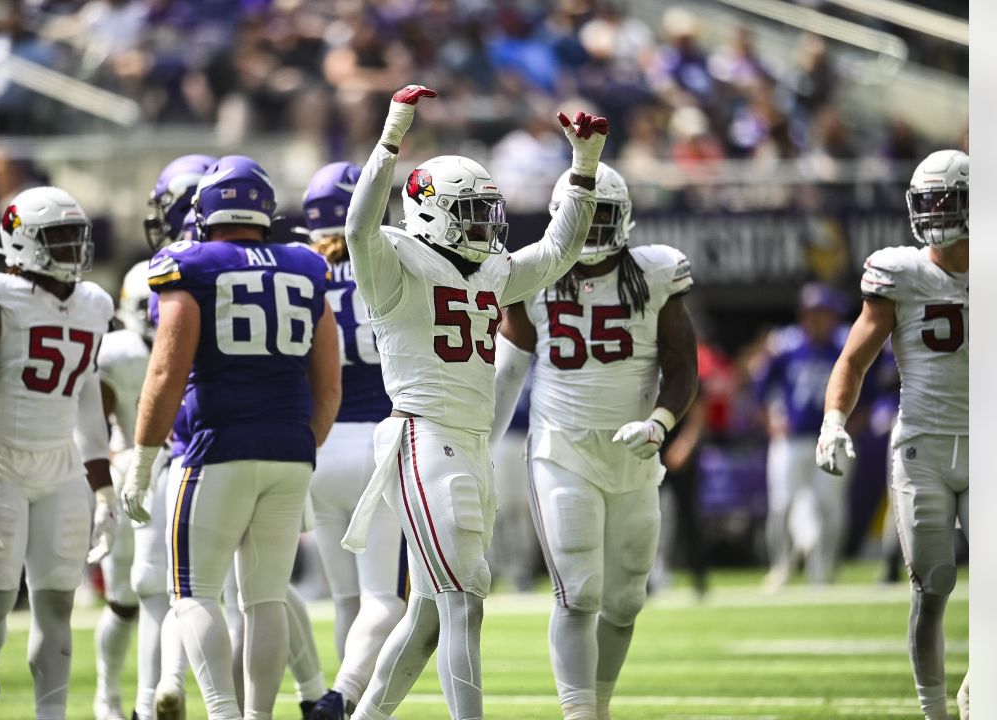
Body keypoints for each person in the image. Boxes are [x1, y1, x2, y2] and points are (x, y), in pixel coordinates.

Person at [339, 84, 607, 720]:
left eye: (489, 211)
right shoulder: (396, 261)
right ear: (431, 212)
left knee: (432, 614)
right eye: (472, 212)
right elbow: (357, 226)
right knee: (465, 602)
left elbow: (559, 251)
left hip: (470, 445)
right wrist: (392, 133)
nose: (487, 225)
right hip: (424, 438)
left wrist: (585, 169)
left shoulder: (491, 270)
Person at [120, 155, 341, 720]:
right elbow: (328, 382)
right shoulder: (305, 264)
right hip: (291, 447)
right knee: (264, 599)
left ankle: (221, 712)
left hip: (217, 446)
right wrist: (306, 449)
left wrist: (143, 462)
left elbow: (166, 372)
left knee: (193, 594)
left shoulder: (188, 263)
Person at [490, 162, 698, 720]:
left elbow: (682, 366)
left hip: (636, 452)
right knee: (579, 588)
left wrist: (660, 422)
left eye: (604, 215)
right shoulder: (531, 272)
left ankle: (598, 705)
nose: (593, 228)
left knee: (627, 597)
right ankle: (581, 713)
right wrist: (480, 446)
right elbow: (508, 372)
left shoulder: (656, 272)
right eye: (585, 215)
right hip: (563, 447)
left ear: (624, 216)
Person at [0, 186, 120, 720]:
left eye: (77, 236)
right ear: (23, 242)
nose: (73, 248)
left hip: (62, 466)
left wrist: (104, 488)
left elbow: (88, 397)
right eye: (59, 238)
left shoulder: (94, 304)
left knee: (56, 606)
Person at [816, 149, 969, 720]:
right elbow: (853, 360)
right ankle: (934, 713)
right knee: (933, 587)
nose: (934, 213)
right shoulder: (900, 273)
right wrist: (833, 420)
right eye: (926, 202)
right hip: (923, 447)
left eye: (946, 201)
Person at [102, 152, 216, 720]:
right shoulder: (258, 266)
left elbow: (166, 375)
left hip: (183, 454)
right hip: (233, 447)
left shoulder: (182, 271)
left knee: (157, 590)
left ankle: (149, 701)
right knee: (247, 593)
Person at [296, 162, 408, 720]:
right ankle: (341, 699)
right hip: (376, 444)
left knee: (347, 599)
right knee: (385, 600)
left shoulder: (298, 276)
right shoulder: (389, 263)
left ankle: (343, 699)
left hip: (317, 447)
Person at [92, 260, 164, 720]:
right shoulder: (119, 353)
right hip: (129, 474)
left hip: (181, 471)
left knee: (179, 597)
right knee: (124, 600)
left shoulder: (194, 336)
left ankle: (152, 696)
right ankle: (108, 696)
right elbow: (92, 426)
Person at [758, 282, 850, 591]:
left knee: (830, 505)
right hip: (792, 438)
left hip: (831, 436)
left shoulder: (844, 347)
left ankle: (822, 570)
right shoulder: (785, 347)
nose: (818, 320)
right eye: (813, 314)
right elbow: (758, 391)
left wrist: (855, 422)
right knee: (781, 506)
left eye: (824, 314)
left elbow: (869, 389)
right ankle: (780, 566)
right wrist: (769, 421)